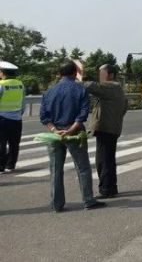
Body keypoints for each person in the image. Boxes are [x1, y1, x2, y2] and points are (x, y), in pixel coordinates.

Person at [40, 60, 106, 212]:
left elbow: (44, 116)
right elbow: (83, 113)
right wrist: (71, 130)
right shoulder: (80, 89)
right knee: (82, 167)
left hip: (55, 134)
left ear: (59, 73)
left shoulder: (49, 91)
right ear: (75, 73)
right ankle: (88, 200)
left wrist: (55, 131)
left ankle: (56, 204)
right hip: (74, 133)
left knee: (56, 169)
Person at [85, 64, 127, 198]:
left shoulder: (111, 87)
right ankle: (111, 188)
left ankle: (106, 189)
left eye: (102, 74)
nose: (100, 77)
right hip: (112, 128)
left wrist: (74, 80)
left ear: (110, 75)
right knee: (108, 159)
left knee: (103, 161)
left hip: (106, 129)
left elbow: (90, 86)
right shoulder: (118, 88)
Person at [0, 61, 25, 173]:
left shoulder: (1, 85)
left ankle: (1, 166)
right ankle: (11, 165)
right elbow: (23, 104)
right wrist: (18, 114)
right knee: (14, 143)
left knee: (1, 143)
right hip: (17, 119)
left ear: (3, 72)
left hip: (2, 118)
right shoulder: (20, 84)